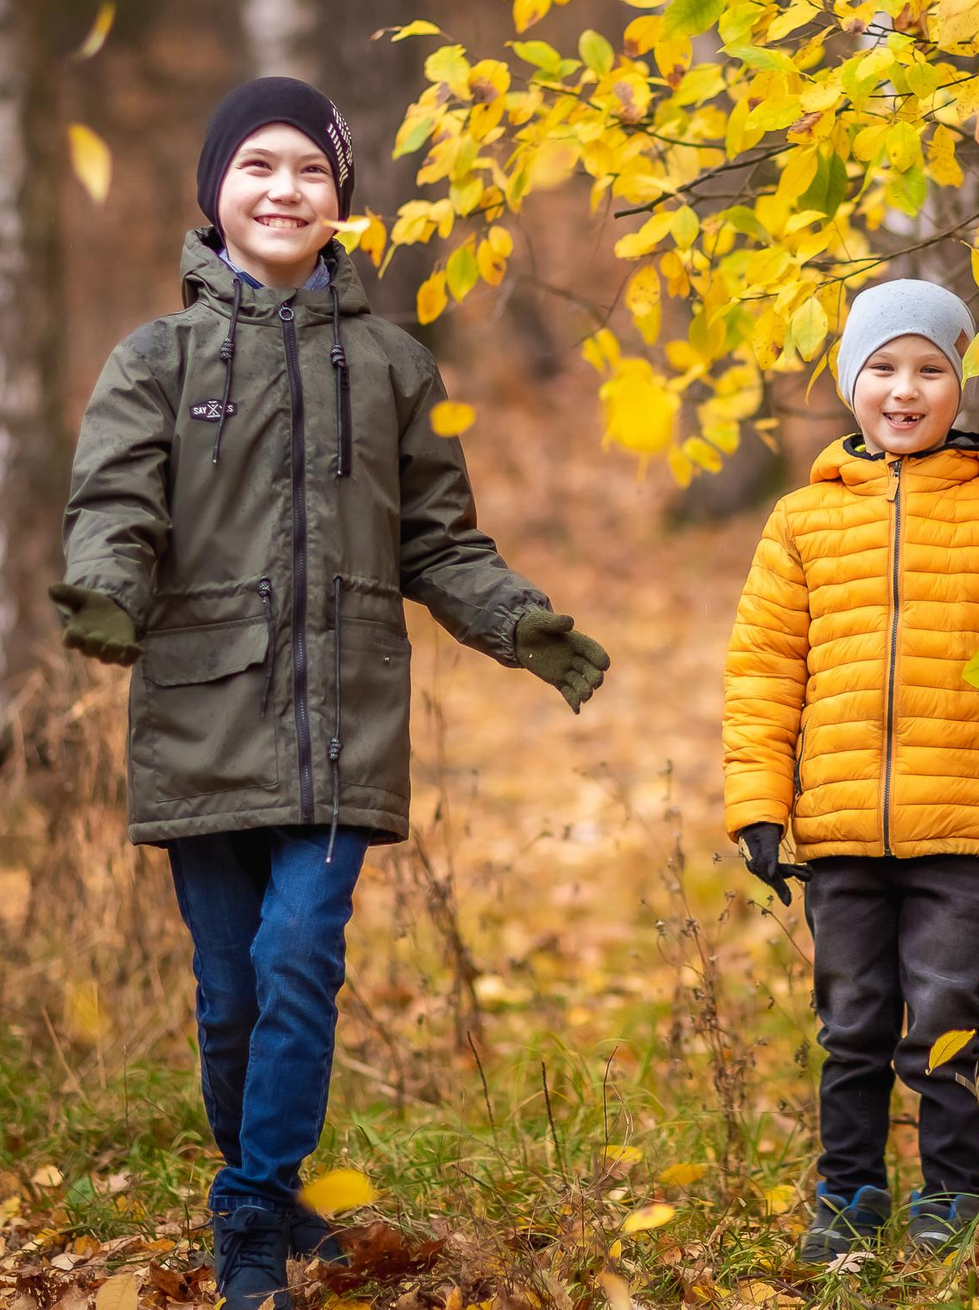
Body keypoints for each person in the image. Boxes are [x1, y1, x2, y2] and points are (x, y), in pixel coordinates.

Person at [54, 77, 609, 1310]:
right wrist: (102, 588)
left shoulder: (392, 364)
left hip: (342, 720)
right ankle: (266, 1177)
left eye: (310, 170)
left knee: (302, 951)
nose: (283, 189)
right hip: (204, 711)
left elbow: (440, 541)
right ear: (214, 193)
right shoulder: (156, 358)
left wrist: (520, 621)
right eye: (257, 165)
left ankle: (250, 1209)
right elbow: (117, 507)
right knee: (229, 990)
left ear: (341, 203)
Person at [721, 279, 979, 1261]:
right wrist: (757, 803)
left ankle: (950, 1199)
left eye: (929, 369)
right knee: (853, 1022)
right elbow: (761, 670)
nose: (904, 389)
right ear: (850, 383)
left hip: (962, 825)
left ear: (959, 387)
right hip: (835, 830)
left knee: (947, 1014)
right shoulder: (800, 522)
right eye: (882, 368)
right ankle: (849, 1197)